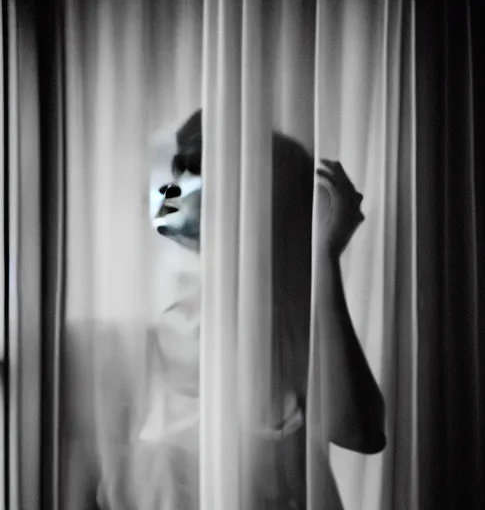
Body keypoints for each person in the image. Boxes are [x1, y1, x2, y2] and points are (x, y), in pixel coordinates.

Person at [99, 109, 386, 509]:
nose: (178, 192)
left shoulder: (274, 322)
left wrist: (325, 259)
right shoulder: (178, 320)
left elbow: (360, 432)